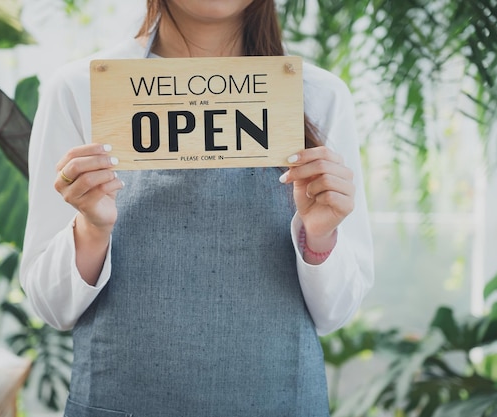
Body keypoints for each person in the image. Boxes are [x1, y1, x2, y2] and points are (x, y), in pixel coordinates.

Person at [20, 0, 374, 415]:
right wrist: (91, 228)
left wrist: (320, 236)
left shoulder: (319, 95)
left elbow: (336, 312)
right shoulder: (80, 89)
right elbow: (51, 306)